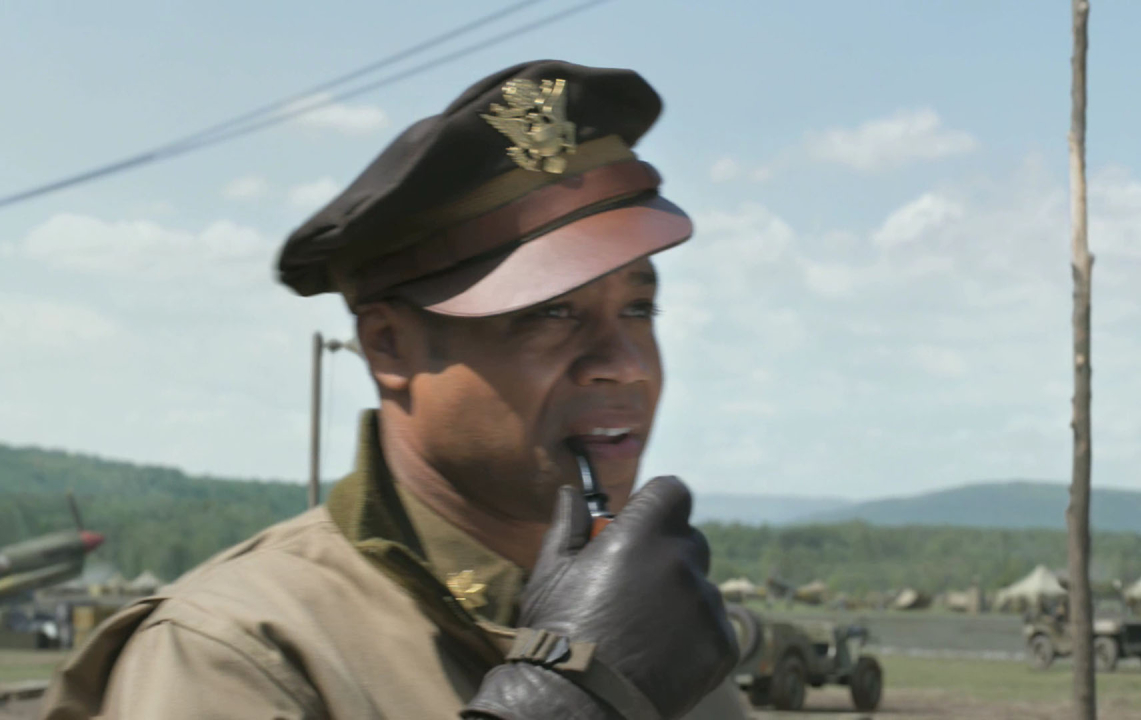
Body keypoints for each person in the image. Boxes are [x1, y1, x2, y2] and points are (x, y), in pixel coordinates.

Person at [39, 60, 746, 719]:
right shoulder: (233, 651)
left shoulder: (653, 634)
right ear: (388, 346)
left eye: (639, 308)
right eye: (552, 312)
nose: (624, 363)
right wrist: (566, 696)